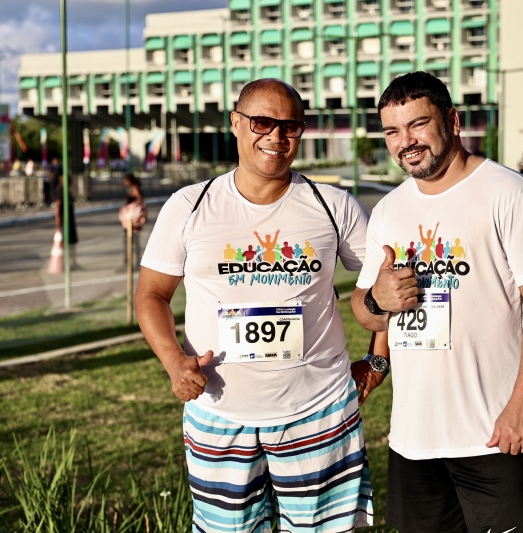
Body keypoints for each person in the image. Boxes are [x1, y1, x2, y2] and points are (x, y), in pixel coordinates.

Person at [136, 79, 381, 533]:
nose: (276, 136)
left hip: (320, 411)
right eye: (262, 122)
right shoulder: (189, 206)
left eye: (290, 126)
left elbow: (384, 286)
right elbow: (151, 294)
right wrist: (173, 362)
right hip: (218, 413)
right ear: (236, 123)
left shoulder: (334, 206)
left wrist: (378, 360)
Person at [350, 72, 523, 533]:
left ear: (452, 120)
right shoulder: (388, 210)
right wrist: (378, 301)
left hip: (492, 433)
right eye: (392, 131)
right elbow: (365, 311)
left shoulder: (510, 193)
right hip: (413, 437)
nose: (405, 141)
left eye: (418, 124)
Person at [53, 168, 79, 268]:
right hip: (65, 221)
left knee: (72, 242)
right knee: (65, 242)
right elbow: (58, 206)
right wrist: (58, 223)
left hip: (70, 219)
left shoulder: (67, 189)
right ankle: (65, 264)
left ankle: (73, 263)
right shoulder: (60, 189)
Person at [119, 173, 146, 268]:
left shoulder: (134, 189)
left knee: (131, 242)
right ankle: (130, 262)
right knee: (131, 242)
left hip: (132, 220)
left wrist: (129, 208)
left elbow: (139, 201)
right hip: (130, 220)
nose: (124, 182)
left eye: (125, 180)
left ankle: (132, 263)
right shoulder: (132, 189)